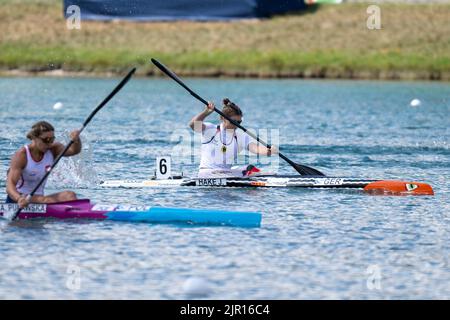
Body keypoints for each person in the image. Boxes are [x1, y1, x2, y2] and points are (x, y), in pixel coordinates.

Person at [189, 98, 278, 178]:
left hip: (225, 174)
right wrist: (206, 112)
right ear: (222, 118)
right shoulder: (211, 130)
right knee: (248, 171)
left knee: (250, 168)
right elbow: (193, 125)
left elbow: (256, 148)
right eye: (234, 121)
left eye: (239, 122)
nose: (237, 125)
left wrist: (269, 151)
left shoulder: (240, 137)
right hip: (207, 173)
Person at [6, 121, 82, 208]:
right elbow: (10, 185)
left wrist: (76, 140)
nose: (49, 143)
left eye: (52, 139)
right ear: (35, 138)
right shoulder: (22, 155)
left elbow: (74, 151)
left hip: (39, 199)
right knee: (46, 200)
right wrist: (19, 199)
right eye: (46, 140)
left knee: (70, 195)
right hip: (19, 200)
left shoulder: (54, 149)